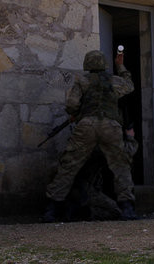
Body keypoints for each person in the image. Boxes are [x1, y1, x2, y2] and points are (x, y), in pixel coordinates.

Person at [42, 50, 137, 222]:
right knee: (121, 166)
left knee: (68, 167)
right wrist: (120, 66)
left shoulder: (83, 81)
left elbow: (71, 104)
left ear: (87, 64)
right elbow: (129, 86)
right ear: (104, 64)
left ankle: (51, 210)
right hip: (111, 125)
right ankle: (127, 208)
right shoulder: (114, 81)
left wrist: (77, 113)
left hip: (86, 126)